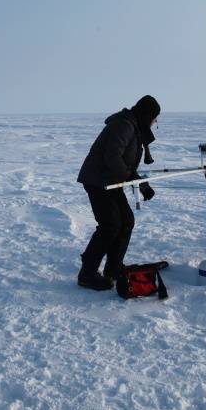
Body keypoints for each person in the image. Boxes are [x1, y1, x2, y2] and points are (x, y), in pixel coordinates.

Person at [76, 95, 160, 290]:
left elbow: (126, 164)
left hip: (110, 181)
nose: (155, 122)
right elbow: (112, 156)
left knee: (126, 221)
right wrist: (131, 179)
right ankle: (87, 274)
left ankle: (113, 268)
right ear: (146, 114)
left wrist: (140, 183)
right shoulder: (124, 125)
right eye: (154, 117)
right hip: (97, 180)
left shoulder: (133, 126)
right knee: (110, 225)